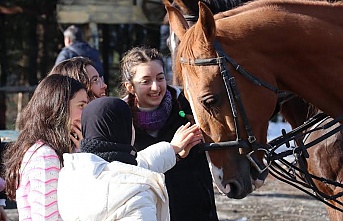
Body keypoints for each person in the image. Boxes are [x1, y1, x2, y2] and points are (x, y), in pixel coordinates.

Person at [57, 97, 203, 221]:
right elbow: (131, 175)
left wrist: (173, 150)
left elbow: (135, 167)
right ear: (123, 130)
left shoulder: (72, 175)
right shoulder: (137, 194)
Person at [120, 46, 219, 221]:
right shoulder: (120, 120)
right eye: (146, 81)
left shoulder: (187, 107)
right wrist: (173, 150)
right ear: (130, 86)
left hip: (195, 211)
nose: (155, 87)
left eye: (160, 78)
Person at [3, 74, 88, 221]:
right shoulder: (45, 155)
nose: (86, 113)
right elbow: (46, 217)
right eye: (81, 106)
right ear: (59, 108)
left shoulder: (62, 150)